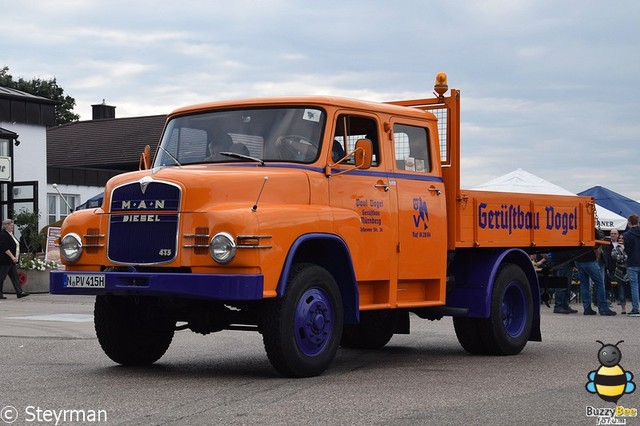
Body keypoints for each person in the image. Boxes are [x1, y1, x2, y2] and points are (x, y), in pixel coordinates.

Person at [575, 237, 616, 316]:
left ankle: (587, 308)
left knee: (584, 284)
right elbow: (597, 246)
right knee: (600, 283)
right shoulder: (592, 230)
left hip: (578, 259)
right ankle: (603, 308)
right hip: (589, 259)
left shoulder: (577, 230)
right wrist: (597, 258)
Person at [0, 219, 29, 299]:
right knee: (1, 277)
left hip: (12, 261)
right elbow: (5, 248)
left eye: (12, 225)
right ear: (6, 226)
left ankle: (19, 292)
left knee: (15, 277)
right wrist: (12, 257)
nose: (12, 226)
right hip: (5, 260)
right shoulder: (3, 235)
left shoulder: (11, 234)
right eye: (10, 225)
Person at [550, 250, 578, 314]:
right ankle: (559, 306)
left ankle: (564, 306)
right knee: (562, 286)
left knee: (566, 286)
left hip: (562, 262)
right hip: (563, 262)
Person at [624, 214, 640, 317]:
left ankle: (635, 309)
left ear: (629, 222)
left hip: (632, 262)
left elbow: (628, 251)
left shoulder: (627, 235)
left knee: (634, 287)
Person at [611, 232, 630, 314]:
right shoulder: (615, 248)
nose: (621, 240)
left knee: (631, 289)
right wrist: (625, 257)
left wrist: (623, 257)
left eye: (622, 239)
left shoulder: (629, 247)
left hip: (629, 271)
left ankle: (635, 307)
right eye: (620, 239)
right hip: (619, 272)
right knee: (621, 290)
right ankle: (623, 308)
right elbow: (615, 257)